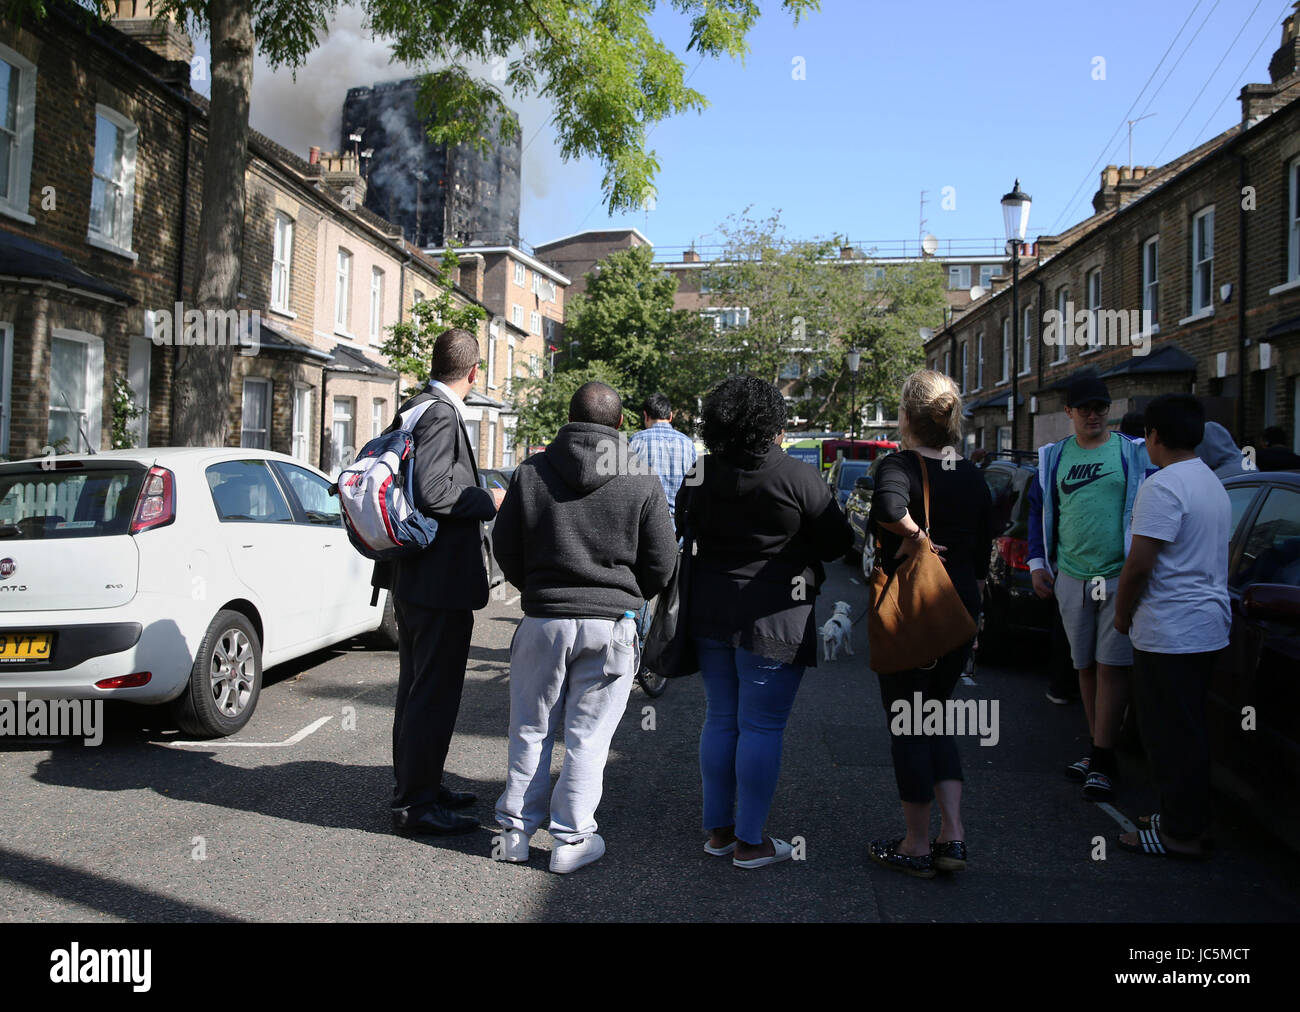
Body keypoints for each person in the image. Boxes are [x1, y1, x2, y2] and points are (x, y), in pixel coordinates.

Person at [490, 382, 677, 873]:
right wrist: (629, 596)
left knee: (530, 728)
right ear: (620, 425)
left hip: (543, 621)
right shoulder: (639, 475)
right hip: (611, 624)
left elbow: (504, 546)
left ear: (569, 418)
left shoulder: (532, 471)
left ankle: (514, 832)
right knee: (588, 737)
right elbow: (663, 560)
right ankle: (571, 841)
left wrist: (536, 588)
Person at [675, 375, 852, 870]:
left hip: (709, 613)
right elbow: (838, 543)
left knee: (721, 718)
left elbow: (681, 524)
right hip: (776, 618)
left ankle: (719, 833)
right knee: (761, 727)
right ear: (773, 423)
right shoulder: (798, 477)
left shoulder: (700, 471)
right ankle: (751, 843)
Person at [378, 329, 505, 836]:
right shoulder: (440, 413)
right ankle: (416, 804)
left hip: (411, 575)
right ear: (474, 372)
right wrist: (487, 500)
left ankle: (420, 785)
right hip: (436, 580)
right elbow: (433, 490)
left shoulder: (415, 405)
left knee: (417, 689)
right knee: (432, 693)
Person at [866, 370, 992, 878]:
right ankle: (952, 837)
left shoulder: (900, 464)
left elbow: (889, 507)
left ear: (906, 415)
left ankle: (916, 843)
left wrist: (917, 537)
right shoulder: (972, 473)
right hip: (958, 612)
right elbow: (983, 551)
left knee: (908, 725)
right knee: (935, 717)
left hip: (915, 612)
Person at [1113, 394, 1229, 860]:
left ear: (1154, 437)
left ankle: (1180, 833)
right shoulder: (1209, 480)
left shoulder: (1162, 487)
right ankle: (1186, 818)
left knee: (1168, 737)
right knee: (1189, 730)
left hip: (1170, 630)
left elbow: (1139, 565)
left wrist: (1121, 614)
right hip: (1206, 627)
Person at [1027, 374, 1148, 801]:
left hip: (1118, 573)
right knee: (1085, 666)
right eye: (1085, 408)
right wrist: (1037, 562)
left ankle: (1102, 755)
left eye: (1100, 406)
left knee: (1113, 666)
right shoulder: (1054, 457)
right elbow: (1038, 510)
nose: (1094, 414)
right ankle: (1099, 749)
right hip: (1072, 576)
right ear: (1069, 413)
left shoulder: (1132, 453)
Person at [628, 392, 698, 516]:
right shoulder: (688, 444)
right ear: (670, 416)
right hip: (677, 521)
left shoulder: (635, 441)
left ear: (646, 415)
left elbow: (626, 484)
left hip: (644, 522)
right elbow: (695, 487)